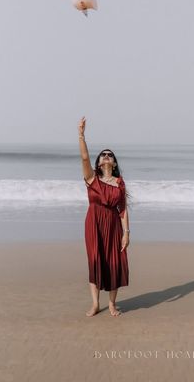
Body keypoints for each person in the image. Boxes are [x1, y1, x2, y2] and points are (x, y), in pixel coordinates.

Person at [78, 117, 130, 317]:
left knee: (114, 261)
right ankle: (95, 304)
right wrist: (82, 135)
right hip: (94, 222)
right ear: (99, 163)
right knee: (95, 259)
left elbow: (123, 209)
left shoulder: (119, 183)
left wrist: (126, 233)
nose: (107, 156)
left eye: (110, 155)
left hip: (114, 224)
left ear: (114, 162)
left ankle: (111, 304)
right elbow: (84, 158)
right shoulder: (91, 178)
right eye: (103, 155)